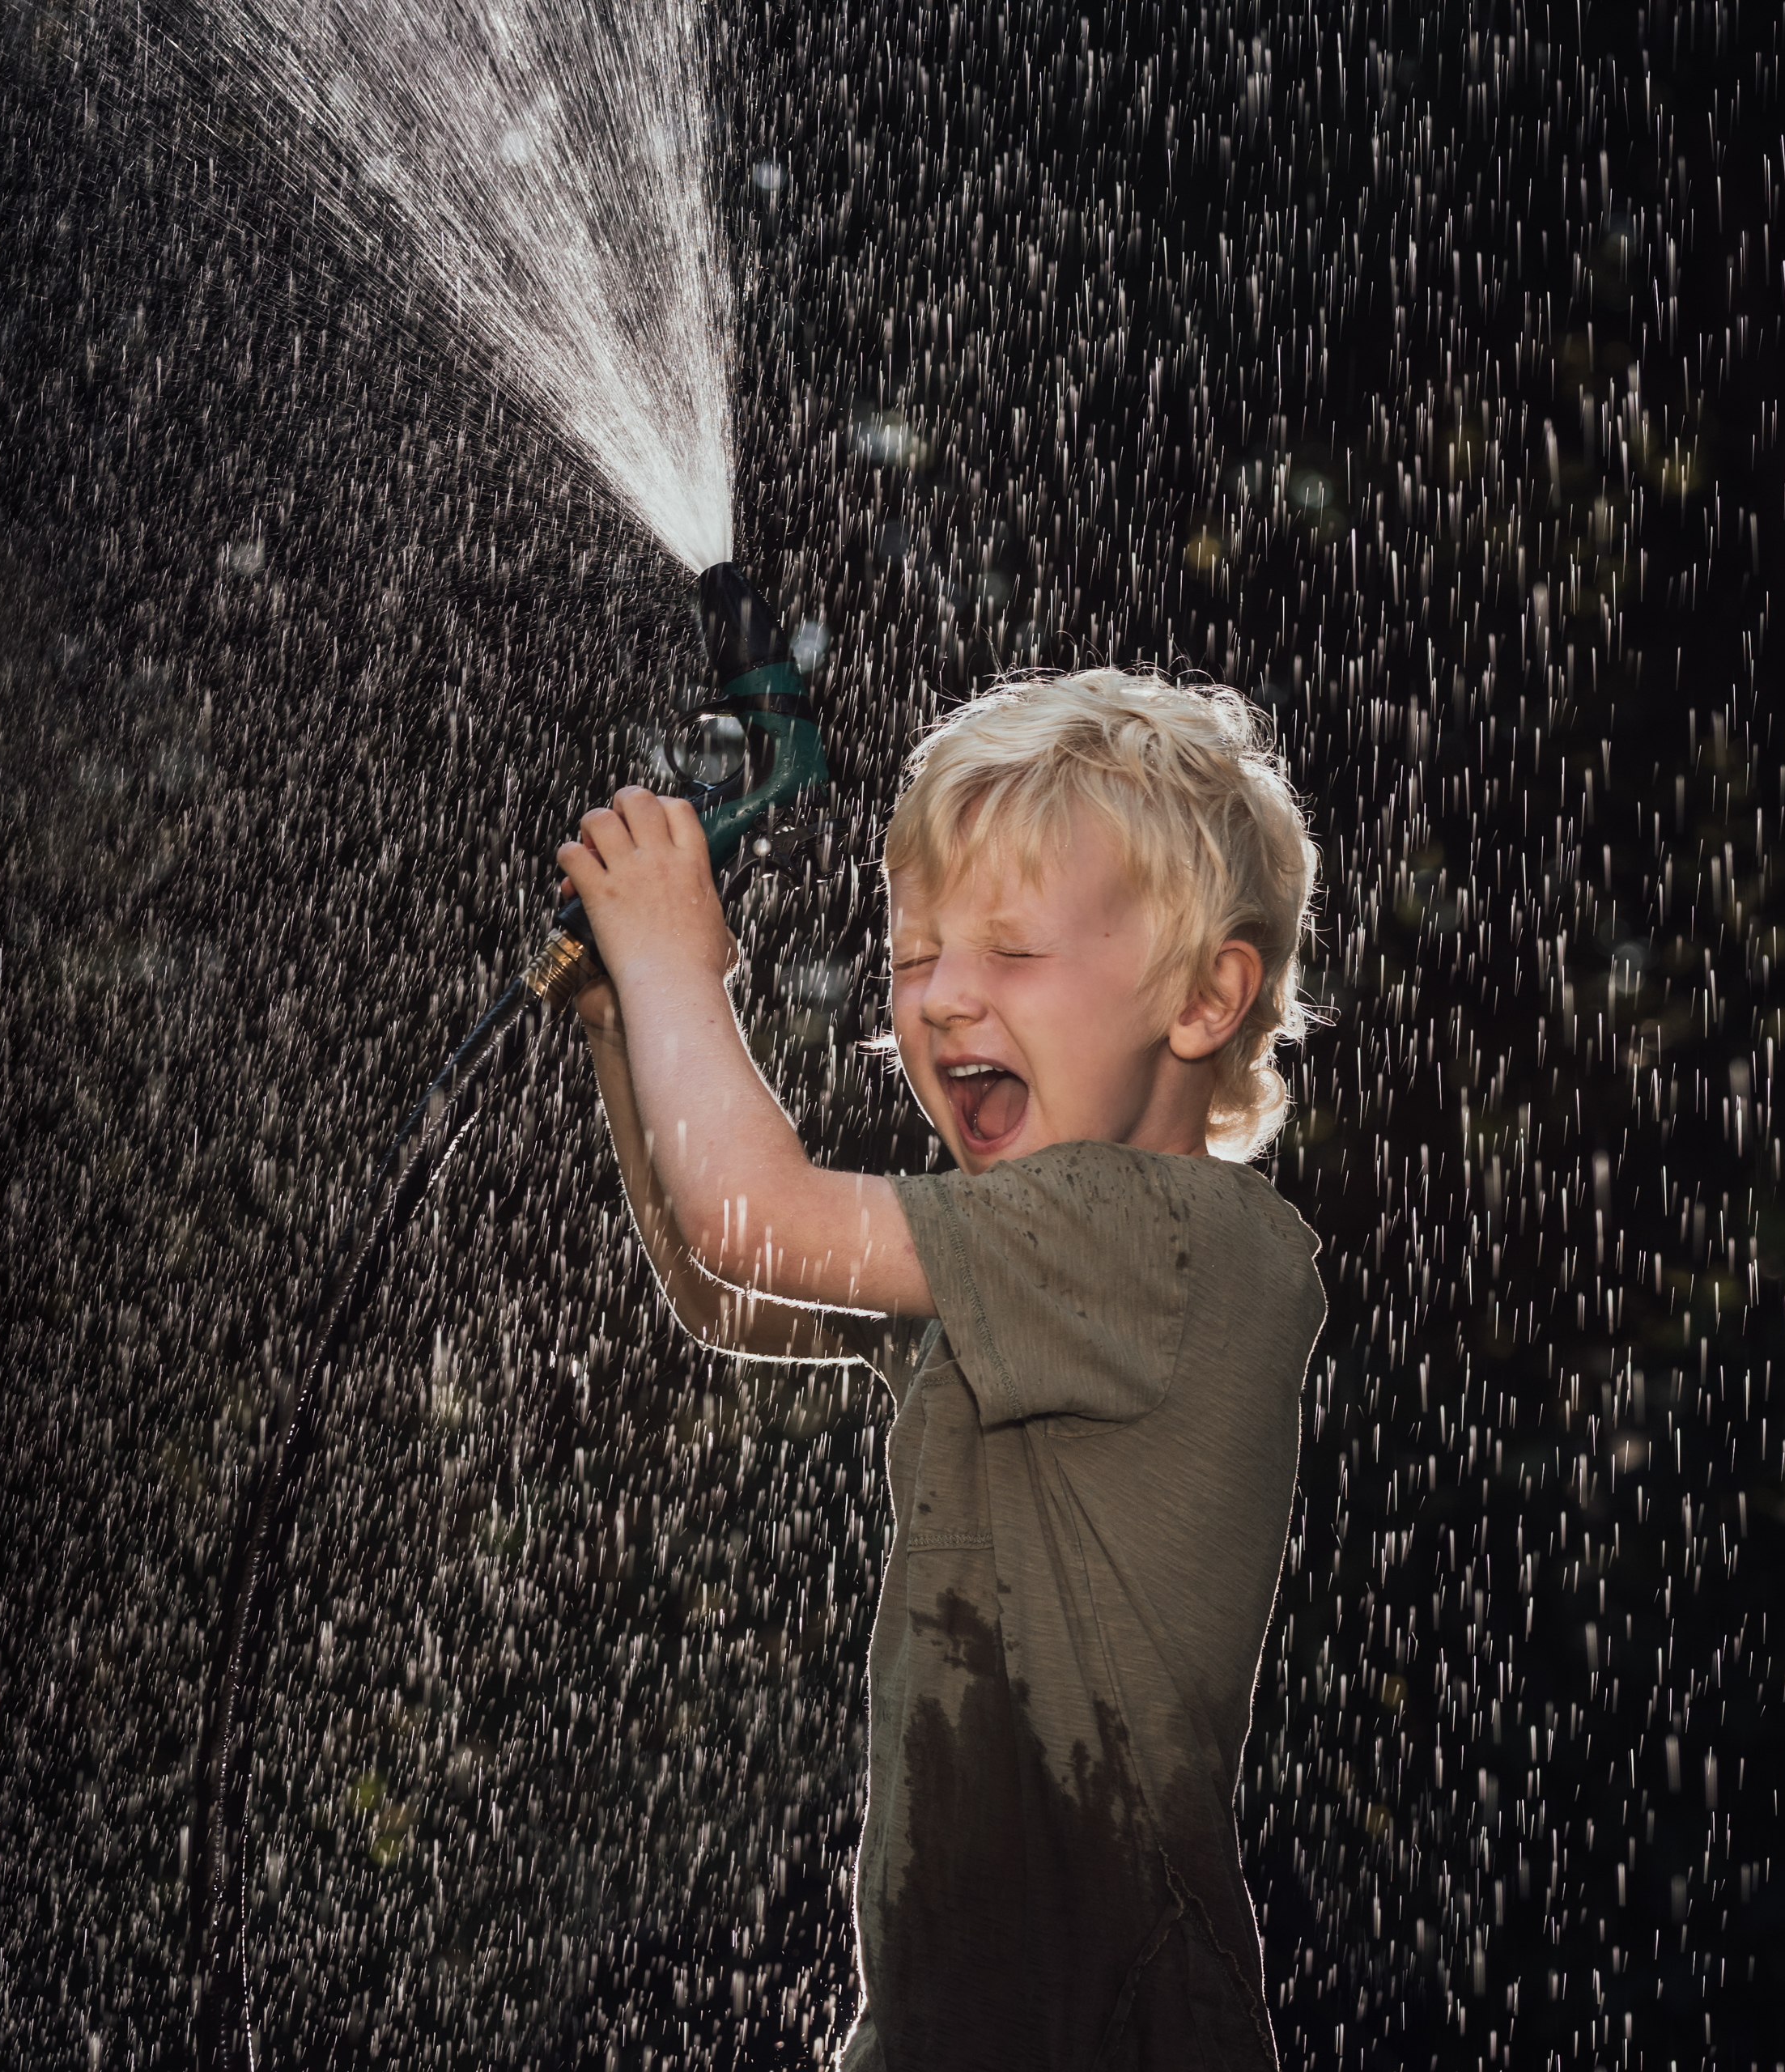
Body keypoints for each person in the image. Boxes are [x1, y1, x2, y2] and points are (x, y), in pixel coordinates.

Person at [557, 667, 1326, 2070]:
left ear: (1210, 996)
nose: (944, 1001)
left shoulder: (1162, 1236)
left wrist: (678, 960)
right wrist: (625, 1030)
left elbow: (756, 1222)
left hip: (1114, 2031)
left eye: (1013, 954)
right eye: (915, 958)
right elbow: (720, 1286)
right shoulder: (1022, 1259)